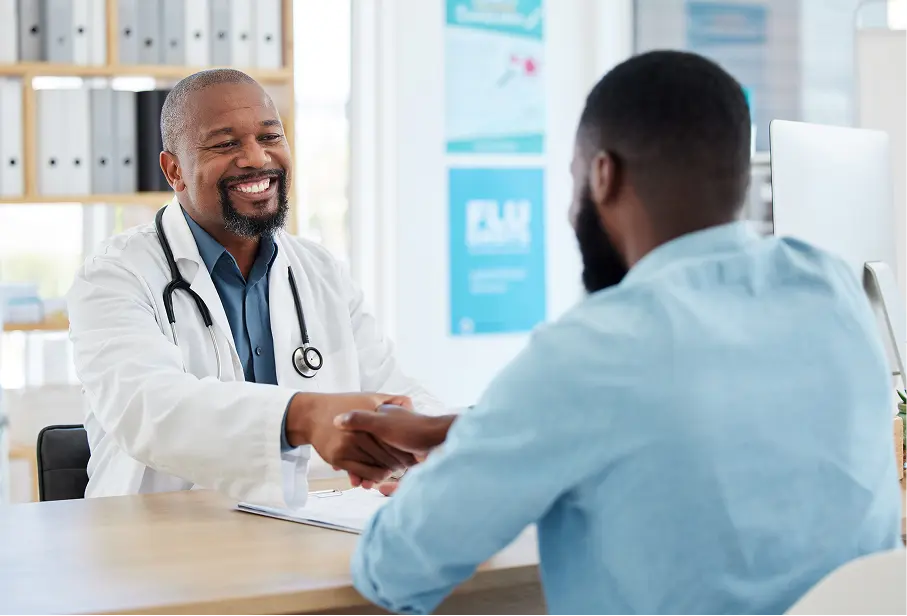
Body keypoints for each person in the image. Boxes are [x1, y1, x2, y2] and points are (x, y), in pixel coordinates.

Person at [339, 51, 903, 615]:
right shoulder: (830, 288)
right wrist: (476, 432)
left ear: (602, 175)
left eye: (573, 180)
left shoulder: (595, 347)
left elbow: (397, 569)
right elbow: (721, 411)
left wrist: (437, 484)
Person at [66, 69, 444, 507]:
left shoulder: (319, 269)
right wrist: (302, 415)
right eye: (226, 144)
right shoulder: (113, 276)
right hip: (155, 541)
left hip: (304, 526)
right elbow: (149, 409)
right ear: (175, 171)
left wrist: (435, 447)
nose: (256, 158)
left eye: (270, 137)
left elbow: (393, 387)